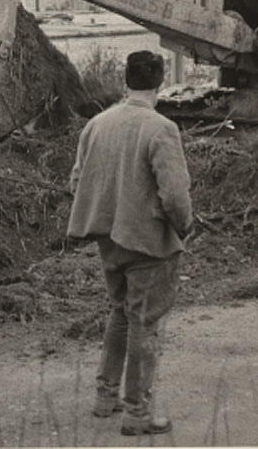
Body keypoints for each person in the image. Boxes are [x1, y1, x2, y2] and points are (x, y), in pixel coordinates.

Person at [66, 50, 194, 436]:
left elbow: (76, 182)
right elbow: (174, 195)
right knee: (144, 323)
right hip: (147, 243)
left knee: (120, 313)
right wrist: (184, 227)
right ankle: (137, 414)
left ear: (126, 81)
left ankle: (105, 398)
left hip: (108, 239)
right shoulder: (161, 128)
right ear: (160, 84)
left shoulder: (96, 125)